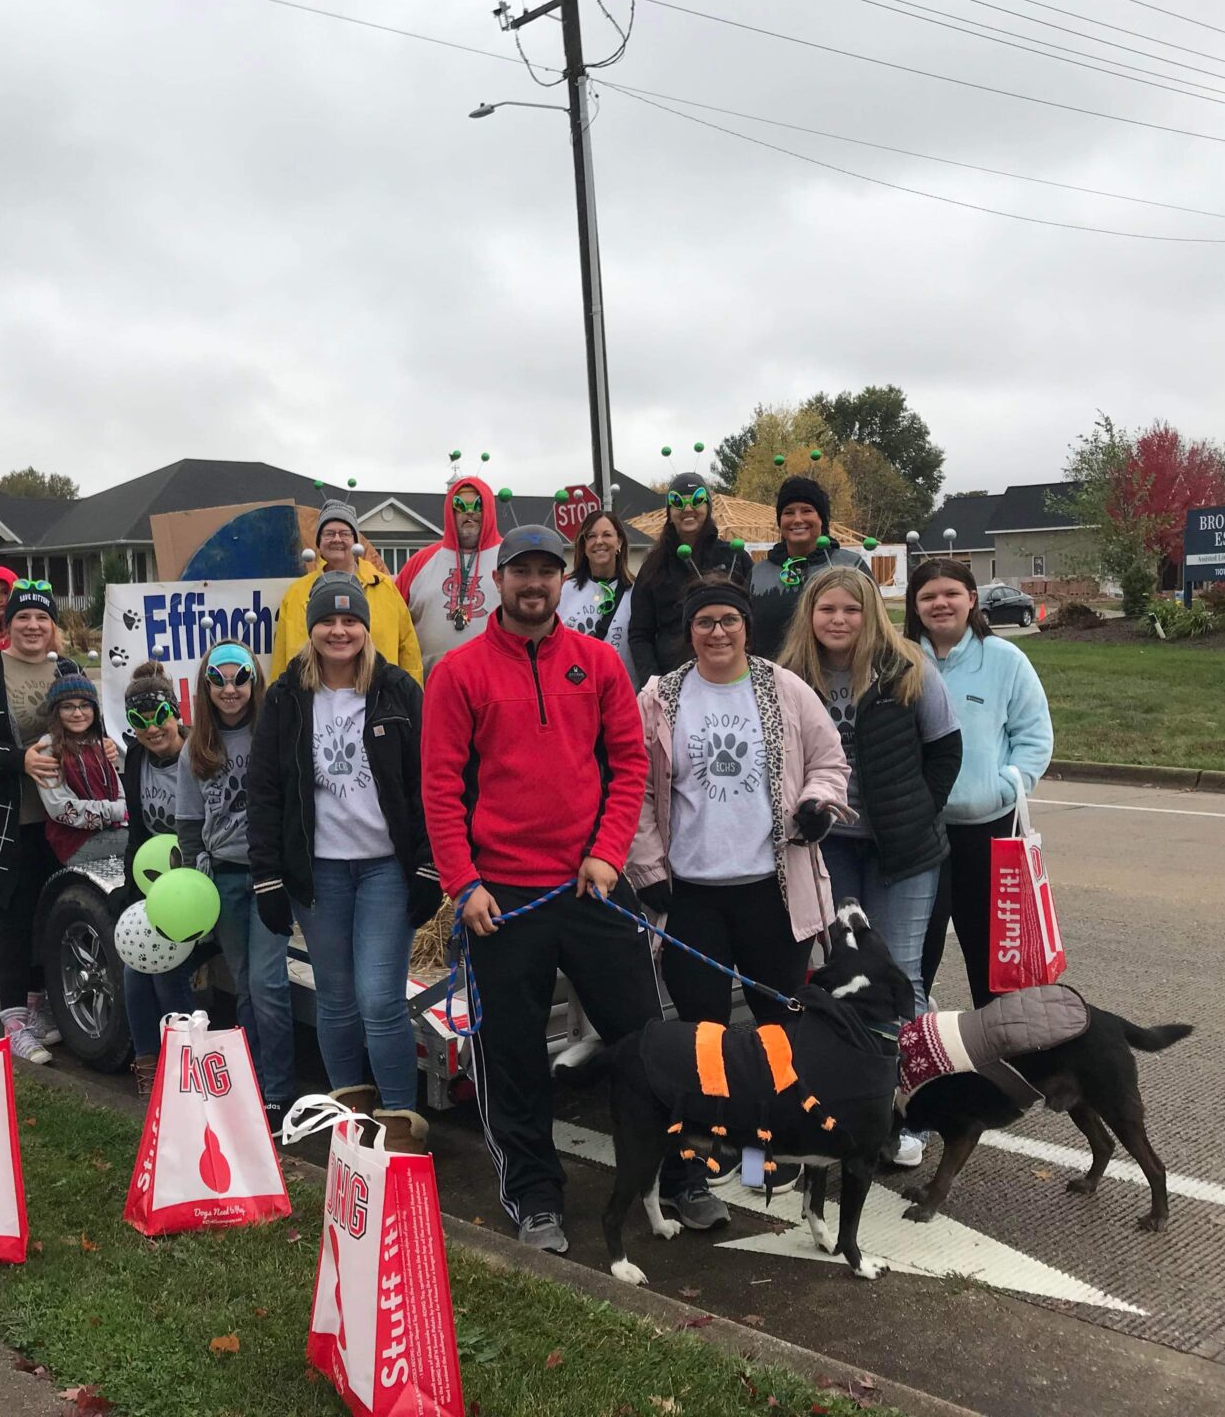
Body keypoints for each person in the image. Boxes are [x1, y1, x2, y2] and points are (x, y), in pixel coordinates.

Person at [422, 525, 726, 1250]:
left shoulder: (597, 663)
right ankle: (534, 1195)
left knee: (649, 1042)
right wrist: (464, 886)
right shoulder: (459, 675)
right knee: (514, 1054)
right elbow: (438, 789)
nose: (533, 585)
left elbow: (628, 766)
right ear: (498, 583)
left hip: (592, 887)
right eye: (520, 572)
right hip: (504, 901)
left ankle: (681, 1175)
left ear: (563, 582)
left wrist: (608, 853)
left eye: (546, 573)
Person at [778, 568, 961, 1168]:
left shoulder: (907, 668)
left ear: (871, 613)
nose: (838, 620)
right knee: (839, 973)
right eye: (826, 609)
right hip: (828, 846)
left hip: (900, 851)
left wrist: (917, 812)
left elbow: (946, 749)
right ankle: (850, 1099)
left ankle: (913, 1112)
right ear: (810, 614)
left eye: (851, 610)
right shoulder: (789, 676)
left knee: (901, 976)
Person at [251, 572, 437, 1153]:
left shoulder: (398, 690)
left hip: (385, 866)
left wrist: (430, 867)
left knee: (378, 996)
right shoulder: (285, 697)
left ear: (365, 626)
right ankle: (352, 1120)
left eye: (350, 619)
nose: (339, 630)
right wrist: (268, 879)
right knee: (334, 996)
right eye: (327, 621)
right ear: (311, 631)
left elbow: (428, 783)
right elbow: (265, 791)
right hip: (318, 871)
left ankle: (402, 1123)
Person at [627, 581, 850, 1055]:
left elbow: (829, 762)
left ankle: (782, 1118)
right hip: (690, 896)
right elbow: (637, 790)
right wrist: (646, 867)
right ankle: (712, 1122)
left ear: (747, 627)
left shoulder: (785, 688)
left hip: (774, 893)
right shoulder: (660, 698)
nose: (718, 632)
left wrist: (817, 803)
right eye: (704, 622)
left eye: (729, 620)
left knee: (779, 1028)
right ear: (690, 632)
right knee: (704, 1032)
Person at [908, 558, 1054, 1008]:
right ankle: (909, 1051)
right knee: (914, 956)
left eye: (951, 593)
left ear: (972, 599)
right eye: (928, 596)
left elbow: (1034, 736)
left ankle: (1002, 1060)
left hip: (986, 829)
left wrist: (1005, 786)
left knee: (993, 961)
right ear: (915, 605)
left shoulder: (1005, 659)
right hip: (917, 831)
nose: (940, 604)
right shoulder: (898, 659)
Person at [0, 579, 78, 1065]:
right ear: (7, 625)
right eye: (23, 617)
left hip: (62, 819)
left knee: (50, 913)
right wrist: (18, 759)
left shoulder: (66, 669)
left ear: (52, 626)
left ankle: (43, 1010)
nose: (32, 625)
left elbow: (87, 723)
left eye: (42, 617)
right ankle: (14, 1023)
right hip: (3, 821)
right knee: (11, 917)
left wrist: (103, 744)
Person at [176, 639, 296, 1124]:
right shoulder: (196, 747)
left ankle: (281, 1088)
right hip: (222, 877)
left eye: (240, 678)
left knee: (268, 982)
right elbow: (188, 823)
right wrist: (196, 878)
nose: (230, 689)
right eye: (219, 680)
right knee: (245, 984)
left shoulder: (273, 732)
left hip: (268, 877)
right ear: (205, 687)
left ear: (254, 680)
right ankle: (255, 1077)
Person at [119, 663, 195, 1095]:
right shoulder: (136, 758)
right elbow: (138, 832)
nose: (151, 729)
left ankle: (186, 1061)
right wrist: (132, 892)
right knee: (135, 962)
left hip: (196, 882)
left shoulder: (197, 754)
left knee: (166, 968)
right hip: (155, 882)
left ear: (175, 711)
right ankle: (148, 1062)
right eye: (138, 721)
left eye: (159, 716)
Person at [273, 499, 423, 684]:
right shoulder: (297, 593)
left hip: (379, 699)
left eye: (344, 533)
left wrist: (413, 699)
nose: (337, 539)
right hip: (311, 698)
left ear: (356, 542)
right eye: (329, 534)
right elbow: (281, 656)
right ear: (319, 544)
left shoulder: (385, 587)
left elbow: (408, 650)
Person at [627, 472, 753, 685]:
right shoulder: (653, 566)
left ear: (708, 506)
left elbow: (752, 618)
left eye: (697, 500)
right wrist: (655, 682)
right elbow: (640, 633)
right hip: (672, 680)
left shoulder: (734, 557)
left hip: (729, 676)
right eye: (677, 502)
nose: (687, 509)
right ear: (669, 511)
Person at [748, 475, 871, 658]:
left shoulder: (851, 566)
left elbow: (875, 626)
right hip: (772, 681)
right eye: (789, 512)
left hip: (836, 681)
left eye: (807, 511)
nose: (797, 519)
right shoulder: (759, 574)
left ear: (822, 520)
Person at [395, 476, 502, 675]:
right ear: (449, 511)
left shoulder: (509, 556)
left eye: (477, 505)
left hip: (497, 686)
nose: (469, 512)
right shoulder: (420, 562)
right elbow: (393, 618)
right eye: (460, 505)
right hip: (430, 688)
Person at [36, 669, 126, 866]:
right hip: (75, 841)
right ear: (55, 712)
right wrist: (119, 812)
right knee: (145, 842)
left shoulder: (99, 744)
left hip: (113, 828)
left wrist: (124, 812)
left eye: (85, 706)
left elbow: (119, 794)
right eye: (67, 707)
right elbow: (60, 808)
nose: (78, 714)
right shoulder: (48, 747)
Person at [555, 509, 636, 681]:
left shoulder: (636, 592)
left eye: (607, 535)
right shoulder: (564, 589)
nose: (599, 541)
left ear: (619, 542)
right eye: (591, 536)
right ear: (583, 546)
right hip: (576, 691)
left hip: (623, 692)